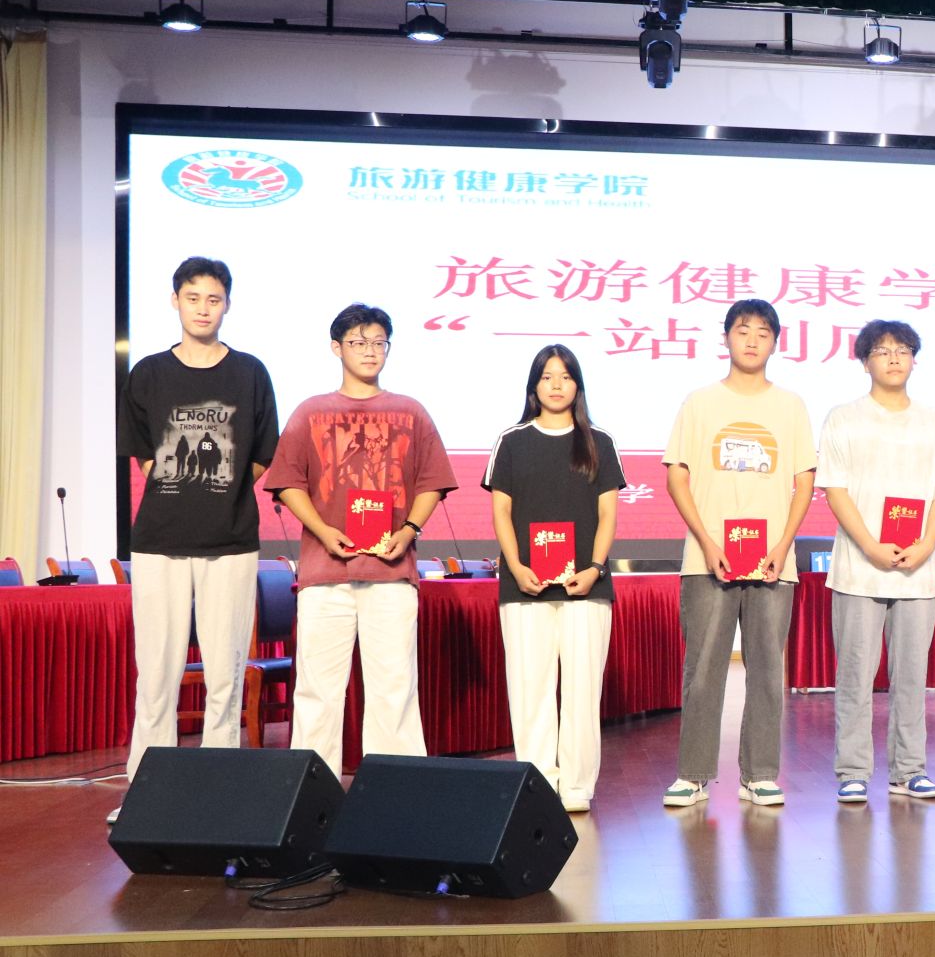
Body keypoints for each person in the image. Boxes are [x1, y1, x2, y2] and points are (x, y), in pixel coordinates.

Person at [266, 303, 457, 775]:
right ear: (337, 348)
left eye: (378, 343)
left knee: (395, 688)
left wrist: (409, 531)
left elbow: (432, 482)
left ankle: (396, 792)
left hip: (391, 573)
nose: (370, 351)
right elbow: (287, 483)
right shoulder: (311, 411)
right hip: (324, 573)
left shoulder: (411, 411)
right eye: (358, 342)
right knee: (317, 691)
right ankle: (312, 791)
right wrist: (323, 530)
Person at [118, 256, 280, 793]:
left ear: (227, 304)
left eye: (213, 299)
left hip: (231, 541)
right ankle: (149, 791)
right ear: (175, 301)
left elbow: (263, 453)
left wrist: (221, 491)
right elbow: (143, 453)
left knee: (225, 676)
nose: (203, 308)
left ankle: (217, 792)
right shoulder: (149, 373)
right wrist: (181, 489)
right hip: (158, 541)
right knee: (156, 675)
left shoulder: (250, 372)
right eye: (193, 298)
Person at [662, 299, 817, 808]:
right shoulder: (700, 402)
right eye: (743, 330)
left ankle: (760, 774)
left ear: (776, 343)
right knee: (704, 667)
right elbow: (677, 475)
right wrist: (707, 542)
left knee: (768, 669)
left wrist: (783, 545)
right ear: (725, 337)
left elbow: (803, 482)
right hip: (707, 558)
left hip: (773, 559)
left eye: (763, 332)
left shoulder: (790, 406)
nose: (752, 340)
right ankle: (693, 774)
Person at [817, 319, 935, 803]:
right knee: (855, 675)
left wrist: (927, 544)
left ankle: (909, 770)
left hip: (918, 570)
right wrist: (869, 545)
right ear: (865, 363)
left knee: (912, 677)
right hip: (859, 568)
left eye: (903, 349)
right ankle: (853, 770)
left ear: (915, 359)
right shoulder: (844, 417)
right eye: (882, 351)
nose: (894, 357)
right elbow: (835, 489)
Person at [482, 345, 626, 813]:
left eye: (565, 376)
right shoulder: (512, 441)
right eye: (547, 376)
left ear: (578, 385)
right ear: (534, 386)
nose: (557, 384)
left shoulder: (599, 441)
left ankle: (578, 785)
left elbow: (608, 514)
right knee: (531, 689)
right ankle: (539, 783)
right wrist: (516, 565)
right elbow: (501, 512)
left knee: (583, 690)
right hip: (524, 586)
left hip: (587, 585)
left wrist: (595, 567)